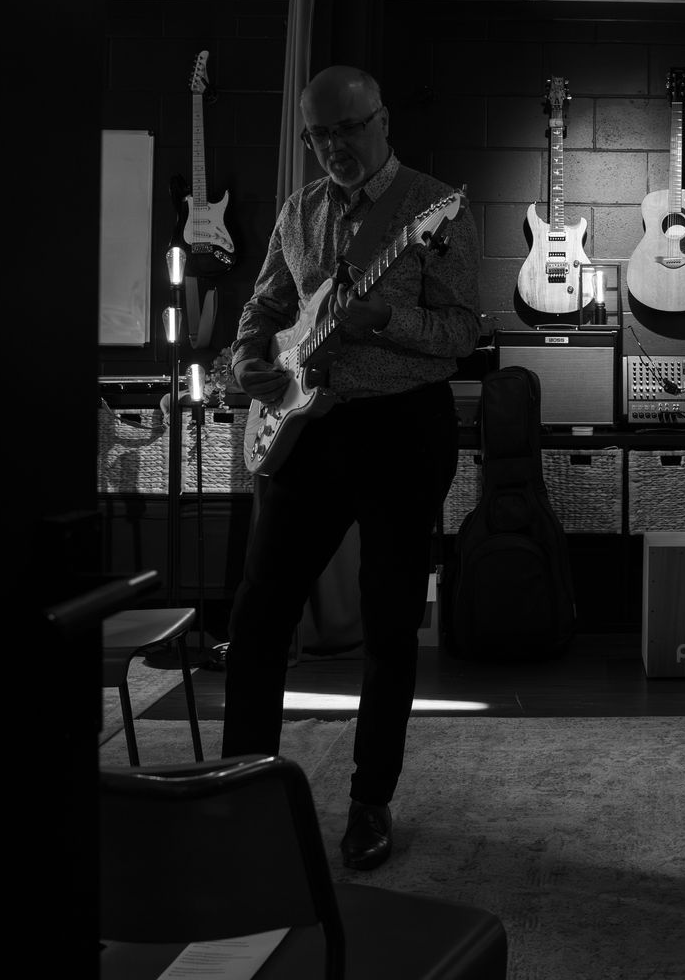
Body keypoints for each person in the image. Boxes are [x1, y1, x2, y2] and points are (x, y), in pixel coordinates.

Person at [226, 65, 481, 870]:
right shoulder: (299, 212)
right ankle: (243, 787)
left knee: (391, 622)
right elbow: (266, 309)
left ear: (381, 118)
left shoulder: (435, 209)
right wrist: (247, 364)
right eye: (316, 135)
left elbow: (462, 333)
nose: (332, 146)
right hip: (310, 430)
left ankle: (371, 802)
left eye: (345, 128)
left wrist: (387, 316)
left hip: (403, 430)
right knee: (260, 614)